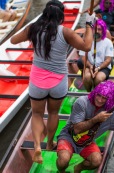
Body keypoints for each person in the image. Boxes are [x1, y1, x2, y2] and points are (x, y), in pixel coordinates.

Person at [11, 0, 94, 164]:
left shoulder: (33, 29)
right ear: (61, 15)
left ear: (44, 13)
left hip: (37, 82)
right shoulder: (66, 32)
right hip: (58, 82)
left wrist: (30, 31)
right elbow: (86, 46)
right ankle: (49, 144)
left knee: (36, 114)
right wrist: (89, 25)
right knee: (53, 113)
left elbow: (13, 40)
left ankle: (36, 146)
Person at [78, 19, 114, 92]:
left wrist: (98, 68)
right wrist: (90, 66)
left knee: (98, 79)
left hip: (103, 67)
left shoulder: (108, 42)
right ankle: (89, 93)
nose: (97, 31)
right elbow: (83, 57)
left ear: (103, 31)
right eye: (95, 29)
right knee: (87, 77)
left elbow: (108, 59)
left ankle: (96, 94)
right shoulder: (86, 42)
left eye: (99, 29)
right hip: (90, 65)